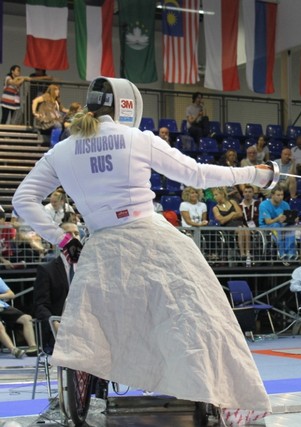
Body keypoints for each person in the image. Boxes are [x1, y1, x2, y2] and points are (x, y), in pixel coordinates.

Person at [12, 77, 275, 422]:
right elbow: (197, 175)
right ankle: (229, 399)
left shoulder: (61, 150)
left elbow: (22, 199)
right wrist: (256, 174)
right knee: (205, 312)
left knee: (90, 326)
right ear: (127, 106)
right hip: (153, 241)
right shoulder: (137, 138)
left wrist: (63, 240)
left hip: (101, 249)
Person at [33, 221, 79, 354]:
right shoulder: (47, 270)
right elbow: (40, 306)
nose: (74, 237)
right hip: (59, 327)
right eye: (69, 234)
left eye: (76, 233)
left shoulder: (89, 267)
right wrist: (53, 323)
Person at [212, 187, 250, 266]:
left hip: (238, 223)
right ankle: (242, 253)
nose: (214, 197)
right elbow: (222, 221)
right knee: (241, 228)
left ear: (222, 194)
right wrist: (232, 214)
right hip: (227, 227)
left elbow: (240, 214)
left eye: (216, 195)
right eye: (214, 195)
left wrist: (226, 217)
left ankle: (247, 253)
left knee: (245, 228)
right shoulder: (215, 208)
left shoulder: (232, 202)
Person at [259, 186, 297, 265]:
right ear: (272, 195)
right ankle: (281, 253)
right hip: (266, 226)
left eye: (282, 195)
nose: (280, 197)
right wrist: (278, 218)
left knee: (290, 227)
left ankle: (290, 253)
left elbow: (288, 219)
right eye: (278, 195)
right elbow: (268, 222)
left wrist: (294, 219)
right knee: (276, 225)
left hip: (281, 225)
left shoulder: (285, 204)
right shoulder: (264, 205)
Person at [0, 277, 37, 357]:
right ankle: (13, 349)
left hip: (3, 307)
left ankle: (33, 348)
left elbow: (11, 294)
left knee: (27, 318)